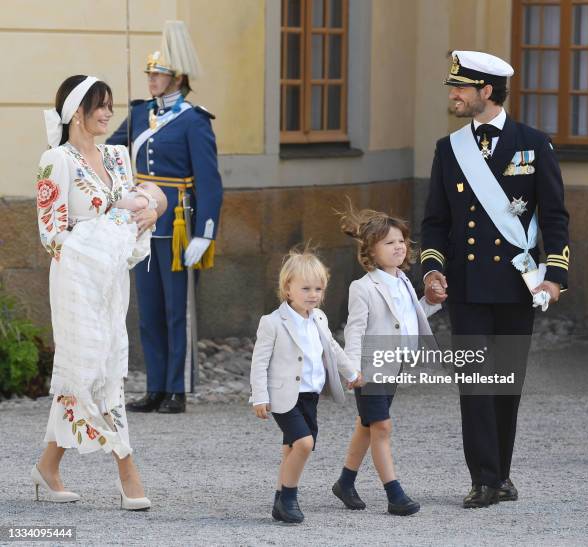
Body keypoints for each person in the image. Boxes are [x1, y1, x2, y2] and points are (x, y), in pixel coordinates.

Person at [421, 51, 570, 508]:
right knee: (475, 383)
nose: (453, 95)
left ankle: (500, 476)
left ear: (486, 91)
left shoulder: (533, 144)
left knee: (506, 383)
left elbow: (556, 216)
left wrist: (555, 276)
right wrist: (432, 268)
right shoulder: (449, 149)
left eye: (461, 88)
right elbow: (435, 222)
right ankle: (484, 478)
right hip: (465, 288)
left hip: (515, 286)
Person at [33, 75, 161, 510]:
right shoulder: (56, 160)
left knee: (101, 365)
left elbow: (139, 211)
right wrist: (116, 219)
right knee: (89, 365)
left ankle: (48, 466)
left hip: (111, 278)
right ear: (75, 111)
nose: (108, 113)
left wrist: (143, 213)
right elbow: (53, 236)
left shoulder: (117, 156)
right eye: (99, 106)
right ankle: (128, 470)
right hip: (74, 279)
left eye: (109, 105)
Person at [107, 20, 223, 414]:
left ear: (177, 78)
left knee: (179, 311)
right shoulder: (139, 115)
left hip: (178, 223)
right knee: (149, 310)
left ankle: (178, 387)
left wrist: (205, 233)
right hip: (141, 221)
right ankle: (155, 385)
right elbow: (109, 151)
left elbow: (209, 181)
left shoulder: (194, 120)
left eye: (158, 74)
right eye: (150, 73)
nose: (151, 80)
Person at [331, 205, 440, 516]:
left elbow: (407, 319)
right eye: (389, 243)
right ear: (371, 252)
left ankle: (345, 482)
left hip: (395, 366)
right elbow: (354, 331)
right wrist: (351, 370)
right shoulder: (362, 288)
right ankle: (395, 494)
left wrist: (428, 303)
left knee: (367, 426)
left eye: (401, 241)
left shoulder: (403, 282)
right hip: (369, 371)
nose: (398, 247)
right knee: (382, 426)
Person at [249, 247, 362, 524]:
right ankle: (289, 497)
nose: (313, 294)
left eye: (319, 288)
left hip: (310, 396)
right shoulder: (272, 322)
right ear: (287, 289)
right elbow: (259, 362)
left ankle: (279, 500)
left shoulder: (319, 319)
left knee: (291, 447)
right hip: (284, 396)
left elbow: (332, 349)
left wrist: (351, 372)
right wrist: (259, 396)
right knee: (304, 443)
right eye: (306, 288)